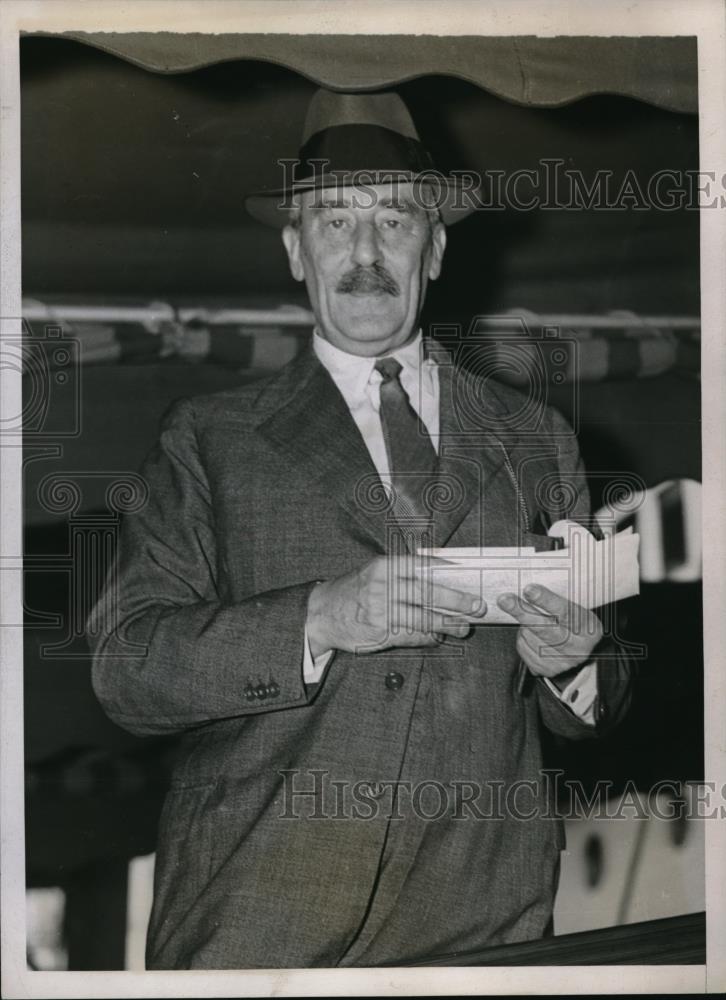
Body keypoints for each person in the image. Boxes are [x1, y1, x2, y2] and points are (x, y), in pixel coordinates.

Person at [88, 89, 633, 969]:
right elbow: (126, 668)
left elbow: (596, 695)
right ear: (295, 252)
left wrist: (574, 661)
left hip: (480, 921)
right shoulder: (208, 438)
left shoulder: (539, 439)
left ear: (439, 246)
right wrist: (318, 618)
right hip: (257, 923)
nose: (367, 254)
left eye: (397, 220)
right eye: (336, 222)